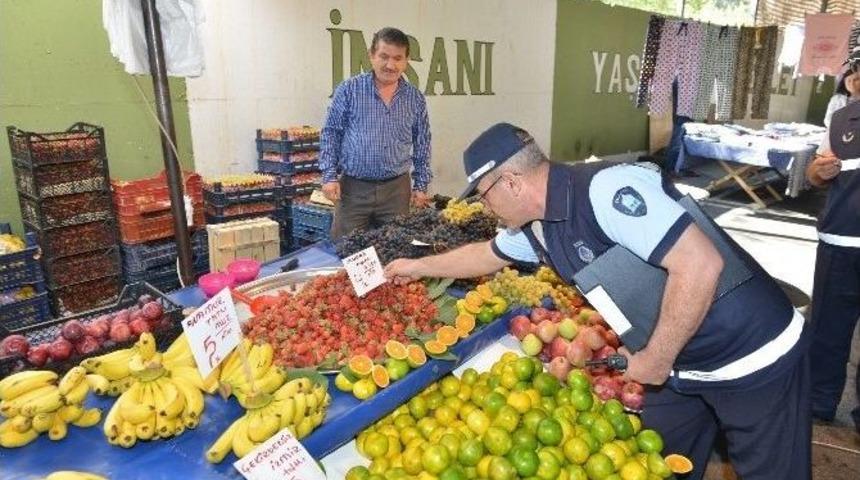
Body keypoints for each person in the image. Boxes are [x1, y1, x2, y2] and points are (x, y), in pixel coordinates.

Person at [385, 123, 811, 479]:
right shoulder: (535, 226)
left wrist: (657, 358)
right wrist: (417, 267)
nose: (485, 206)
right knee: (658, 463)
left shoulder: (606, 190)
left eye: (483, 195)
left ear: (510, 182)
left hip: (751, 354)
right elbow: (485, 255)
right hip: (680, 363)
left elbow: (700, 265)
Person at [319, 27, 432, 239]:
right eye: (384, 56)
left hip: (397, 191)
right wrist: (329, 176)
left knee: (396, 250)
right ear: (371, 56)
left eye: (398, 58)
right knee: (348, 251)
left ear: (406, 61)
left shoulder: (415, 99)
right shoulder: (349, 90)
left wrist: (421, 184)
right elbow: (331, 134)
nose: (390, 65)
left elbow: (422, 142)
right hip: (353, 190)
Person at [806, 54, 860, 434]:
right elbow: (815, 172)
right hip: (839, 241)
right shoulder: (842, 120)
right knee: (828, 331)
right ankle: (820, 402)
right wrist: (818, 171)